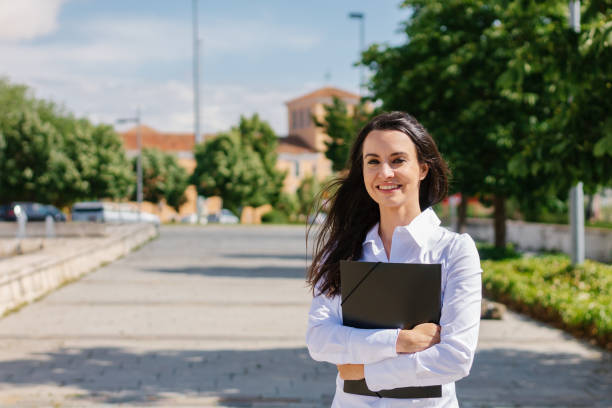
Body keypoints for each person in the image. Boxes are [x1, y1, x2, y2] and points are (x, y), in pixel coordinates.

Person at [305, 111, 482, 407]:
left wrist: (363, 371)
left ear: (423, 168)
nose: (384, 172)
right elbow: (319, 339)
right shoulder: (345, 248)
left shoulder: (453, 251)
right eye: (372, 161)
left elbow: (455, 359)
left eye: (398, 160)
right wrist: (400, 341)